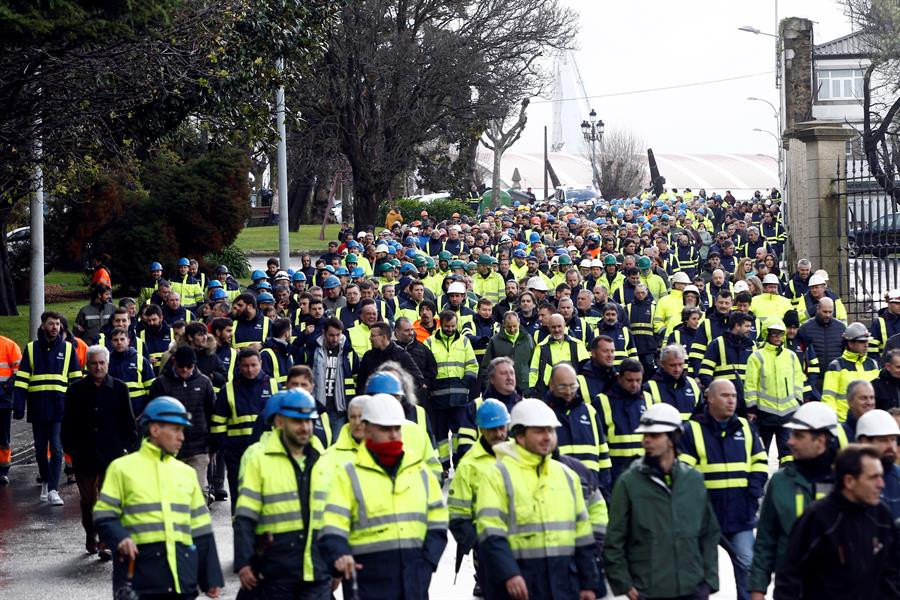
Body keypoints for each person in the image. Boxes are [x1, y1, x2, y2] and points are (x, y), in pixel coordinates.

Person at [318, 393, 448, 599]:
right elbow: (332, 525)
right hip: (367, 579)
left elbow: (438, 521)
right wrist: (339, 555)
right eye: (386, 429)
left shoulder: (419, 470)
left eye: (397, 428)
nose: (394, 435)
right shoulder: (348, 474)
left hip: (413, 576)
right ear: (367, 429)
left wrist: (427, 562)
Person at [93, 397, 224, 598]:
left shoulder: (186, 473)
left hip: (181, 580)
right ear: (155, 430)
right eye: (176, 430)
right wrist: (120, 538)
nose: (182, 437)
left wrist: (210, 577)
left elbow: (201, 528)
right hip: (139, 581)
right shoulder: (122, 469)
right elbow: (104, 515)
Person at [475, 398, 600, 600]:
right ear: (520, 436)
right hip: (520, 585)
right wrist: (510, 574)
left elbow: (583, 533)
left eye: (551, 431)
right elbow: (491, 532)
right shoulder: (497, 476)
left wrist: (589, 582)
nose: (547, 437)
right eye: (540, 431)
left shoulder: (567, 476)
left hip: (563, 584)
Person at [603, 402, 720, 600]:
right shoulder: (628, 483)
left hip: (692, 588)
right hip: (649, 590)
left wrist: (709, 580)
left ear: (673, 439)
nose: (646, 441)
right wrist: (625, 584)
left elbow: (709, 533)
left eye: (654, 436)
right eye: (645, 435)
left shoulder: (693, 480)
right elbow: (614, 540)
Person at [234, 388, 331, 599]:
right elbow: (245, 516)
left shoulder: (325, 461)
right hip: (275, 571)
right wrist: (244, 562)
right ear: (280, 421)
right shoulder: (259, 459)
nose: (305, 427)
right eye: (298, 421)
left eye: (309, 421)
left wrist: (338, 564)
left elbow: (334, 519)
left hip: (317, 571)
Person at [679, 380, 768, 600]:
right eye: (725, 395)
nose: (731, 401)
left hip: (741, 513)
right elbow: (684, 475)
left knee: (747, 565)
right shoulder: (692, 431)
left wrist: (753, 494)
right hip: (705, 517)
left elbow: (760, 463)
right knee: (700, 575)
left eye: (734, 396)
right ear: (709, 398)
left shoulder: (746, 428)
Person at [774, 445, 899, 599]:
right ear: (849, 481)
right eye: (873, 477)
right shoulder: (817, 518)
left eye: (881, 476)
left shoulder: (882, 516)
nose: (881, 484)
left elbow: (891, 574)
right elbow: (789, 577)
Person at [749, 402, 842, 599]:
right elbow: (766, 540)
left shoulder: (845, 482)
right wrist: (757, 590)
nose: (790, 442)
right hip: (790, 588)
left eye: (798, 436)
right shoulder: (780, 482)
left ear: (821, 440)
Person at [61, 345, 138, 558]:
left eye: (102, 363)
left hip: (112, 454)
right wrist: (70, 448)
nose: (98, 367)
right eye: (94, 363)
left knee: (108, 499)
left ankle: (105, 539)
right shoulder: (76, 390)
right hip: (84, 455)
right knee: (88, 501)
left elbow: (129, 423)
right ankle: (90, 532)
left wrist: (127, 449)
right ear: (87, 365)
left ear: (108, 364)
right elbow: (67, 423)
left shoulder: (120, 388)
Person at [13, 311, 82, 505]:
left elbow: (76, 380)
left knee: (57, 447)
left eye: (58, 325)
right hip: (37, 407)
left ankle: (53, 489)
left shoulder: (68, 349)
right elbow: (22, 379)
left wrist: (77, 408)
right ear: (43, 326)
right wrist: (18, 406)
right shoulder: (31, 349)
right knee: (41, 449)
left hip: (60, 407)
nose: (55, 328)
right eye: (51, 324)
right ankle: (45, 480)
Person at [448, 399, 510, 597]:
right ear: (481, 429)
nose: (499, 434)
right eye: (493, 430)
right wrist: (477, 542)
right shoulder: (469, 465)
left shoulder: (519, 455)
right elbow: (457, 513)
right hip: (487, 549)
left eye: (502, 428)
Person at [210, 347, 279, 509]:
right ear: (239, 366)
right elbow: (218, 423)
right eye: (246, 366)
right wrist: (220, 449)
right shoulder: (228, 389)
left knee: (266, 498)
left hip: (267, 453)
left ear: (260, 363)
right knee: (240, 498)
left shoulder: (273, 386)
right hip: (236, 455)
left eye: (254, 365)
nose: (250, 370)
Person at [148, 346, 216, 493]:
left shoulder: (204, 383)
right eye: (181, 366)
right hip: (169, 450)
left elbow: (212, 413)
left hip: (199, 447)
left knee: (198, 492)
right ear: (174, 362)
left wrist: (212, 444)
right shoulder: (160, 384)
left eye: (189, 367)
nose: (185, 370)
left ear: (195, 364)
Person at [744, 319, 807, 462]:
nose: (778, 337)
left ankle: (785, 481)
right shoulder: (757, 356)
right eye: (774, 334)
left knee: (788, 454)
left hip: (787, 412)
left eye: (780, 334)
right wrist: (752, 408)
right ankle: (760, 481)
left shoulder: (790, 356)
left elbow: (798, 379)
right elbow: (750, 384)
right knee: (760, 453)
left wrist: (797, 400)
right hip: (764, 413)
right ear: (767, 334)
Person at [545, 363, 612, 495]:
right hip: (556, 491)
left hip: (591, 490)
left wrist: (605, 490)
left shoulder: (590, 412)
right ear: (551, 385)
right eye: (562, 387)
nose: (569, 392)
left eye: (572, 386)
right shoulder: (543, 413)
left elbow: (603, 454)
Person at [424, 311, 478, 472]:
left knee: (459, 433)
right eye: (447, 326)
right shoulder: (429, 342)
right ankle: (444, 466)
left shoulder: (464, 342)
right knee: (440, 435)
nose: (450, 329)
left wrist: (465, 383)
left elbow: (472, 365)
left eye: (453, 326)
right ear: (441, 324)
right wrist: (432, 385)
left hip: (459, 397)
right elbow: (427, 367)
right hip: (438, 397)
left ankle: (458, 462)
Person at [594, 359, 658, 482]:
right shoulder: (602, 401)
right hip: (615, 473)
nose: (634, 384)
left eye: (638, 380)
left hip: (644, 471)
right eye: (630, 380)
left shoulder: (649, 399)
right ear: (619, 378)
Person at [698, 311, 756, 416]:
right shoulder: (717, 344)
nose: (749, 329)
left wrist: (753, 408)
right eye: (747, 326)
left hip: (745, 404)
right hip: (722, 403)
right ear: (737, 326)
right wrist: (714, 394)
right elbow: (705, 372)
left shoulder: (752, 346)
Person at [310, 317, 357, 441]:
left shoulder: (348, 352)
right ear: (323, 333)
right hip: (318, 408)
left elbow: (356, 378)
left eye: (338, 335)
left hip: (339, 409)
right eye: (331, 335)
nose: (335, 339)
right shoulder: (313, 350)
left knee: (336, 445)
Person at [822, 322, 880, 422]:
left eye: (867, 341)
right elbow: (828, 398)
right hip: (844, 422)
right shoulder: (836, 366)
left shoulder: (873, 364)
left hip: (870, 421)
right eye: (862, 342)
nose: (866, 345)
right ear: (850, 344)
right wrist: (833, 422)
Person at [357, 320, 426, 397]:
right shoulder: (368, 356)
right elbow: (361, 384)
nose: (370, 339)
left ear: (384, 337)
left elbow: (418, 380)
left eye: (373, 336)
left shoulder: (401, 355)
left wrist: (397, 391)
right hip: (374, 404)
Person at [855, 409, 900, 524]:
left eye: (893, 440)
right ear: (864, 442)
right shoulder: (850, 481)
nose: (891, 446)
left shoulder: (898, 476)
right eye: (883, 440)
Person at [529, 312, 589, 395]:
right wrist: (532, 390)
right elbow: (534, 372)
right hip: (550, 393)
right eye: (553, 327)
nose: (556, 330)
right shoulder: (541, 348)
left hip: (573, 391)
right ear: (549, 328)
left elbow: (586, 370)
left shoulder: (577, 345)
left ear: (564, 325)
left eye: (559, 326)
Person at [478, 311, 534, 394]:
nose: (512, 329)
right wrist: (489, 387)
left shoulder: (528, 339)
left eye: (515, 326)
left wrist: (531, 387)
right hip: (501, 389)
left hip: (524, 388)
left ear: (519, 321)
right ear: (503, 324)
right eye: (509, 327)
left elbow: (533, 364)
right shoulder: (495, 341)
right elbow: (486, 367)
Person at [644, 344, 702, 422]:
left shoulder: (693, 384)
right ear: (662, 364)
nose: (677, 369)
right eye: (672, 365)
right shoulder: (649, 387)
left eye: (680, 364)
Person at [0, 334, 22, 484]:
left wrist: (7, 388)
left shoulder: (9, 345)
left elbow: (19, 371)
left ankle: (2, 470)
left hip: (2, 401)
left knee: (3, 437)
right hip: (3, 397)